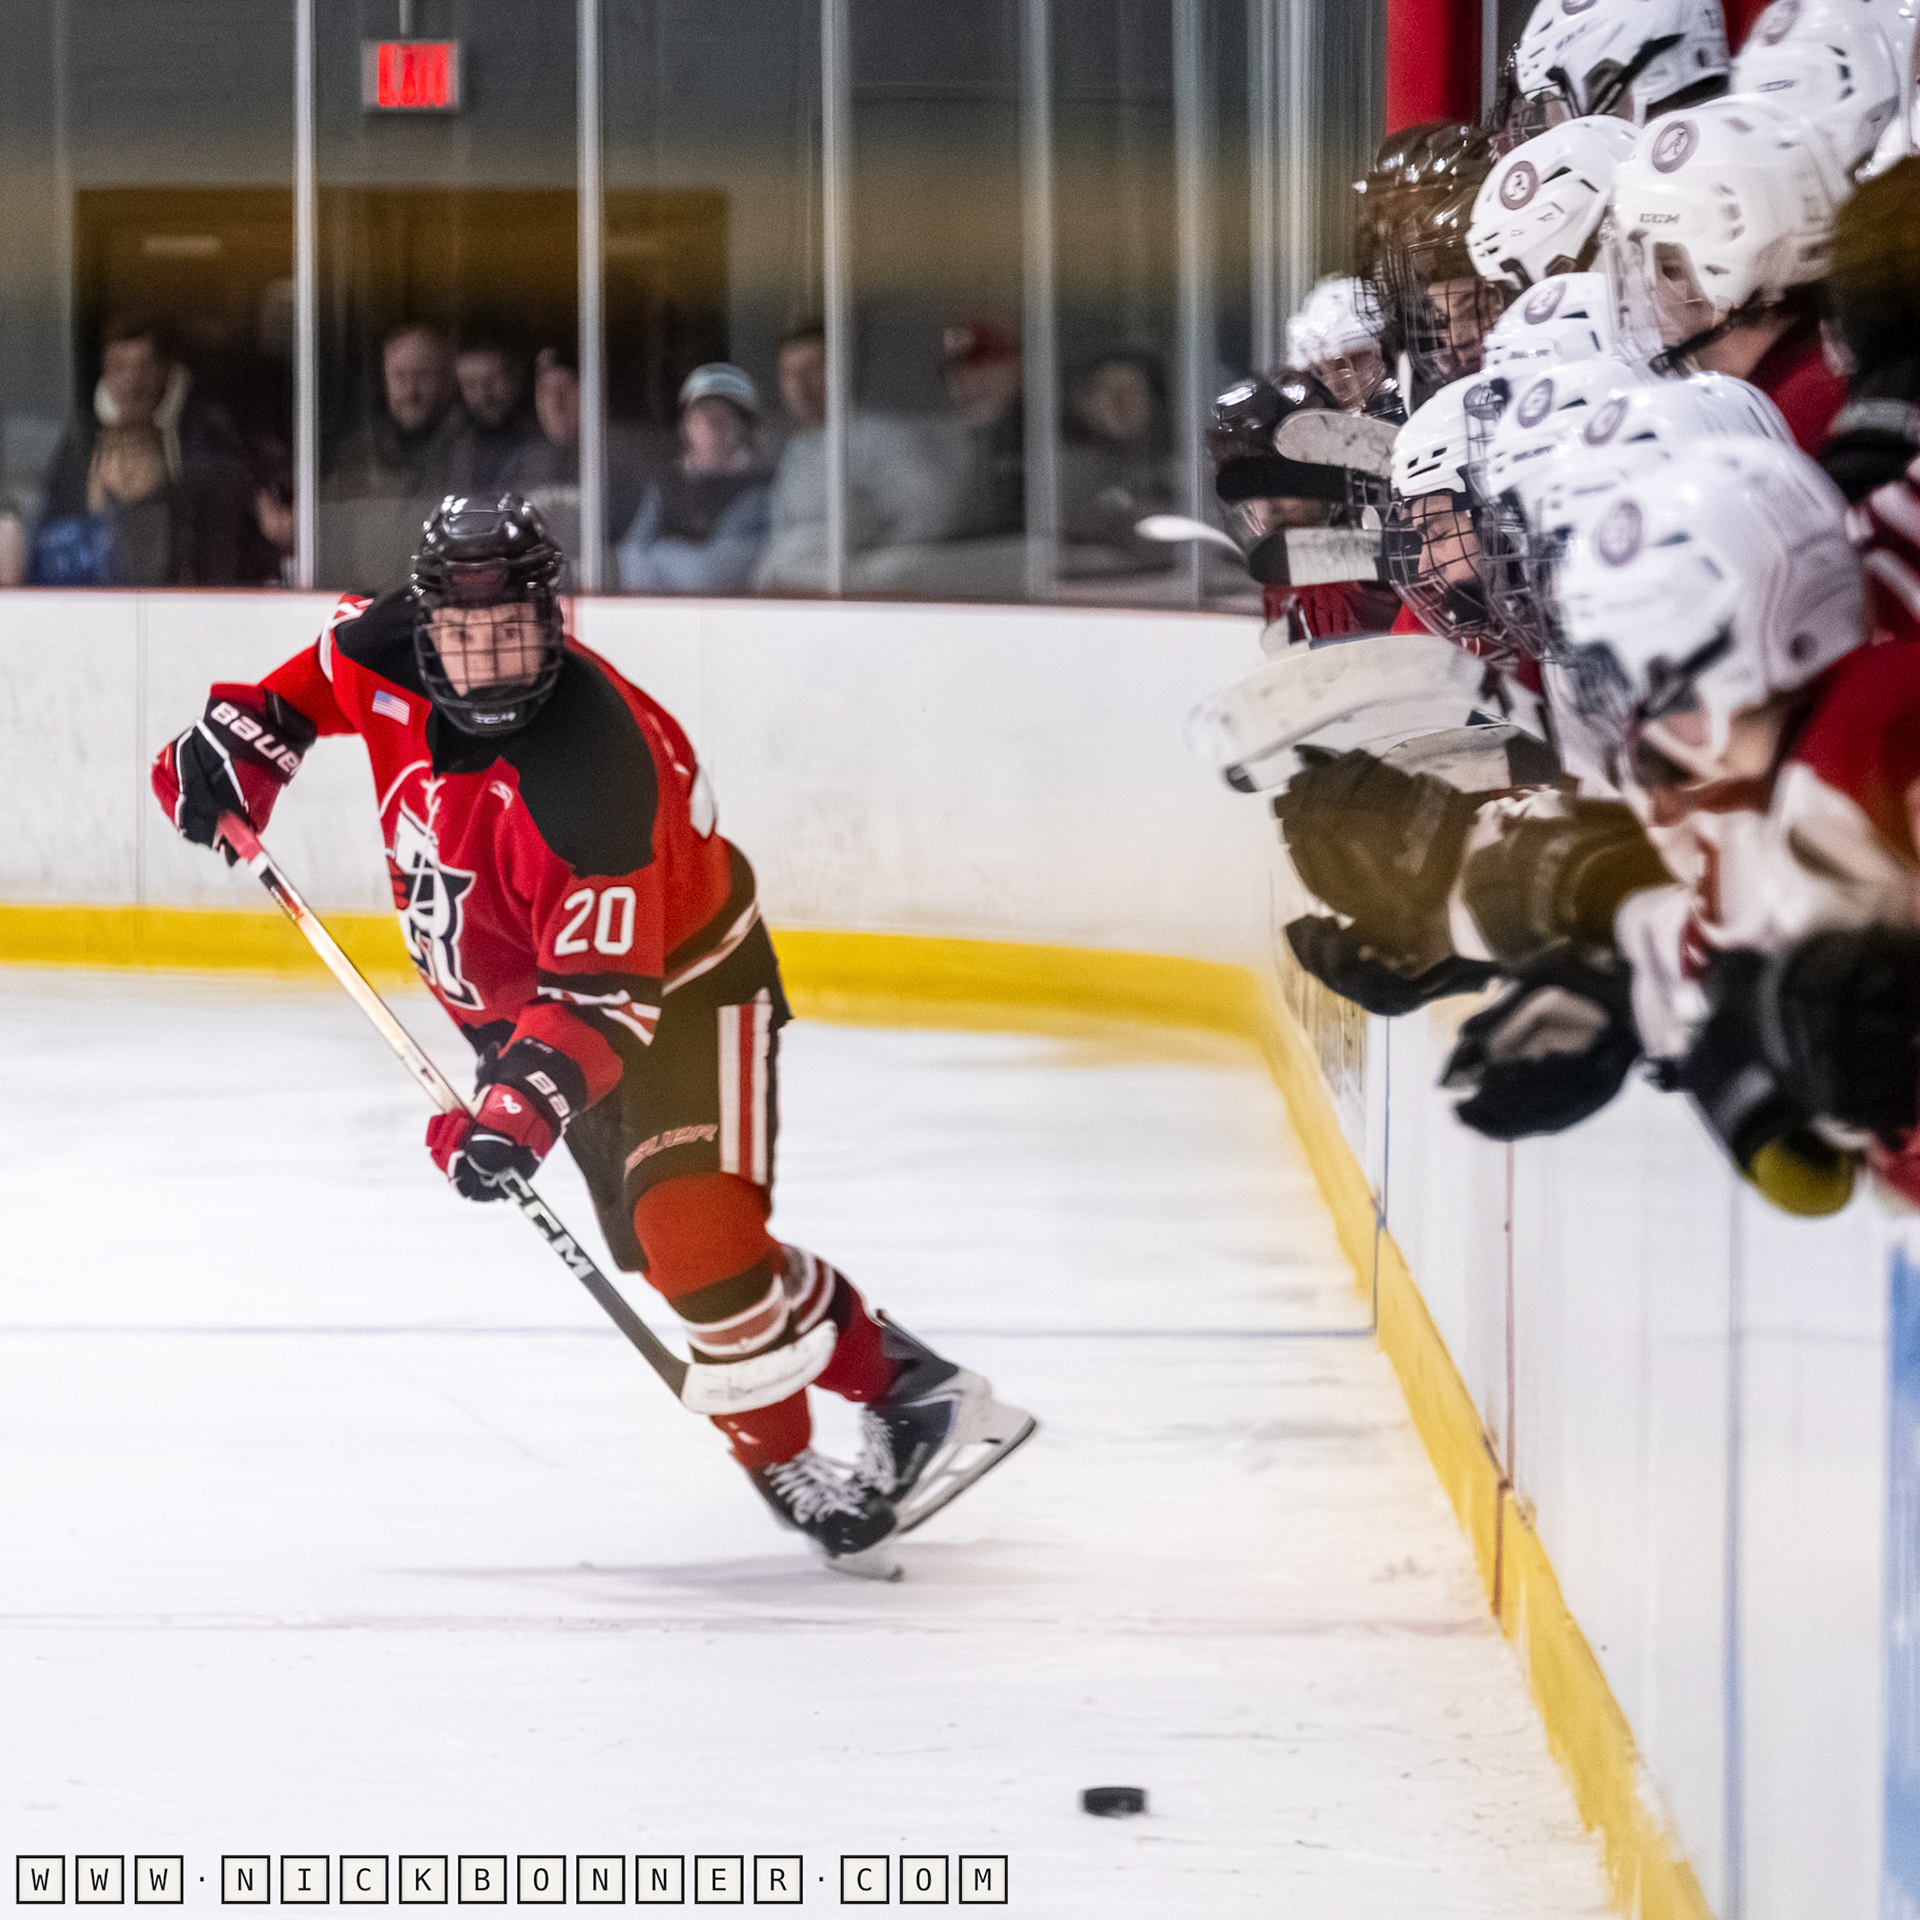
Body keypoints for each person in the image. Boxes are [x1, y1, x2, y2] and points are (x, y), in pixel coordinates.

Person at [147, 493, 1036, 1570]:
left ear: (551, 618)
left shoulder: (596, 769)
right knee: (684, 1266)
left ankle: (818, 1441)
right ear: (427, 621)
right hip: (537, 1011)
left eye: (510, 630)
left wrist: (515, 1110)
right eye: (461, 635)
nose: (484, 660)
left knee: (694, 1244)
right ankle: (910, 1388)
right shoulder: (387, 643)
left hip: (686, 991)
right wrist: (238, 752)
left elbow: (604, 997)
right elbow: (293, 696)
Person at [1609, 98, 1850, 451]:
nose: (1648, 289)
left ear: (1717, 268)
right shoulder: (1811, 381)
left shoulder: (1784, 425)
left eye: (1666, 266)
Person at [31, 314, 264, 586]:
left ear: (166, 369)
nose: (132, 381)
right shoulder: (81, 441)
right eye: (119, 366)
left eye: (145, 366)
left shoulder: (206, 432)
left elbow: (226, 529)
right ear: (104, 372)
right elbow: (49, 537)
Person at [753, 322, 953, 593]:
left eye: (813, 368)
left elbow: (930, 515)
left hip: (855, 602)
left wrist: (866, 578)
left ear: (842, 369)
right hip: (792, 601)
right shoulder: (798, 450)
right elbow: (783, 536)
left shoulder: (880, 437)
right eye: (790, 372)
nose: (800, 384)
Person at [321, 321, 465, 594]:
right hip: (372, 615)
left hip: (446, 617)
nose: (411, 392)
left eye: (423, 376)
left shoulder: (471, 453)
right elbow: (328, 539)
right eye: (400, 377)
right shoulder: (357, 458)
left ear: (448, 381)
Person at [496, 345, 657, 574]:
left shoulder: (626, 460)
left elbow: (634, 557)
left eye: (567, 389)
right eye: (545, 391)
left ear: (595, 392)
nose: (555, 403)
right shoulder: (522, 462)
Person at [615, 364, 774, 595]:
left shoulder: (763, 488)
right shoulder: (666, 482)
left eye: (721, 420)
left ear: (744, 428)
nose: (710, 429)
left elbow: (709, 574)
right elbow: (633, 555)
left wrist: (661, 555)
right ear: (686, 427)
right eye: (701, 418)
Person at [1057, 351, 1175, 578]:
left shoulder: (1174, 467)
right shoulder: (1063, 470)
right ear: (1085, 401)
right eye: (1109, 392)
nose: (1123, 402)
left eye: (1134, 392)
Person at [447, 334, 535, 496]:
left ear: (515, 376)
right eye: (470, 385)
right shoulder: (450, 444)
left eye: (492, 381)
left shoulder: (543, 439)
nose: (483, 396)